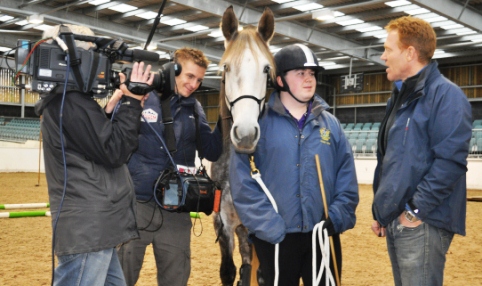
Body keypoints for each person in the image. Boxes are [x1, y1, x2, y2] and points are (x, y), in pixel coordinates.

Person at [229, 43, 359, 285]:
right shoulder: (258, 126)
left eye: (312, 74)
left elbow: (347, 178)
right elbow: (242, 183)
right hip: (276, 239)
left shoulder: (331, 125)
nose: (309, 80)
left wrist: (338, 216)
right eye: (300, 73)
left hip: (322, 235)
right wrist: (270, 227)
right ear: (280, 80)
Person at [35, 24, 154, 285]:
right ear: (75, 59)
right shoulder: (72, 103)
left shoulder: (69, 100)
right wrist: (132, 102)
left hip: (97, 226)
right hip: (89, 227)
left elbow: (93, 146)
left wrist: (109, 114)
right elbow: (115, 151)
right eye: (93, 56)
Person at [371, 16, 472, 286]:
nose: (383, 57)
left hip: (423, 221)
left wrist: (414, 212)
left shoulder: (446, 96)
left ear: (410, 53)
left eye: (388, 49)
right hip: (400, 219)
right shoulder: (399, 98)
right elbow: (390, 160)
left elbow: (449, 163)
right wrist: (382, 212)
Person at [117, 47, 222, 286]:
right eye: (189, 76)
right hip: (136, 205)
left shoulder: (195, 108)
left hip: (176, 209)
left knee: (176, 280)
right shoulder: (142, 96)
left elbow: (211, 151)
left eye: (199, 80)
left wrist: (227, 119)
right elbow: (116, 140)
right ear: (173, 70)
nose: (194, 84)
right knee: (120, 278)